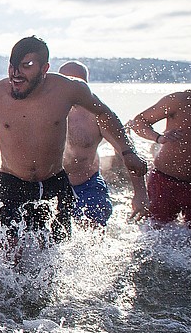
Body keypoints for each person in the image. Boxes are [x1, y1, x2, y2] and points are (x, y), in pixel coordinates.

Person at [0, 36, 146, 250]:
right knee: (9, 255)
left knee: (54, 252)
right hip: (11, 182)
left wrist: (127, 151)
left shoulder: (68, 90)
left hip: (53, 182)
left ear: (45, 68)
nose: (16, 74)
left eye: (26, 66)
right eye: (12, 66)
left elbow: (105, 114)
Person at [128, 54, 191, 226]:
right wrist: (159, 137)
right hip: (165, 182)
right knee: (155, 237)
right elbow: (139, 122)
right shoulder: (181, 100)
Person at [59, 61, 148, 225]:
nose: (73, 87)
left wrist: (140, 193)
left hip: (87, 185)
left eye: (78, 82)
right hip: (52, 188)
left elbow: (127, 151)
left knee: (93, 232)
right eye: (67, 81)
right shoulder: (44, 113)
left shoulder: (98, 114)